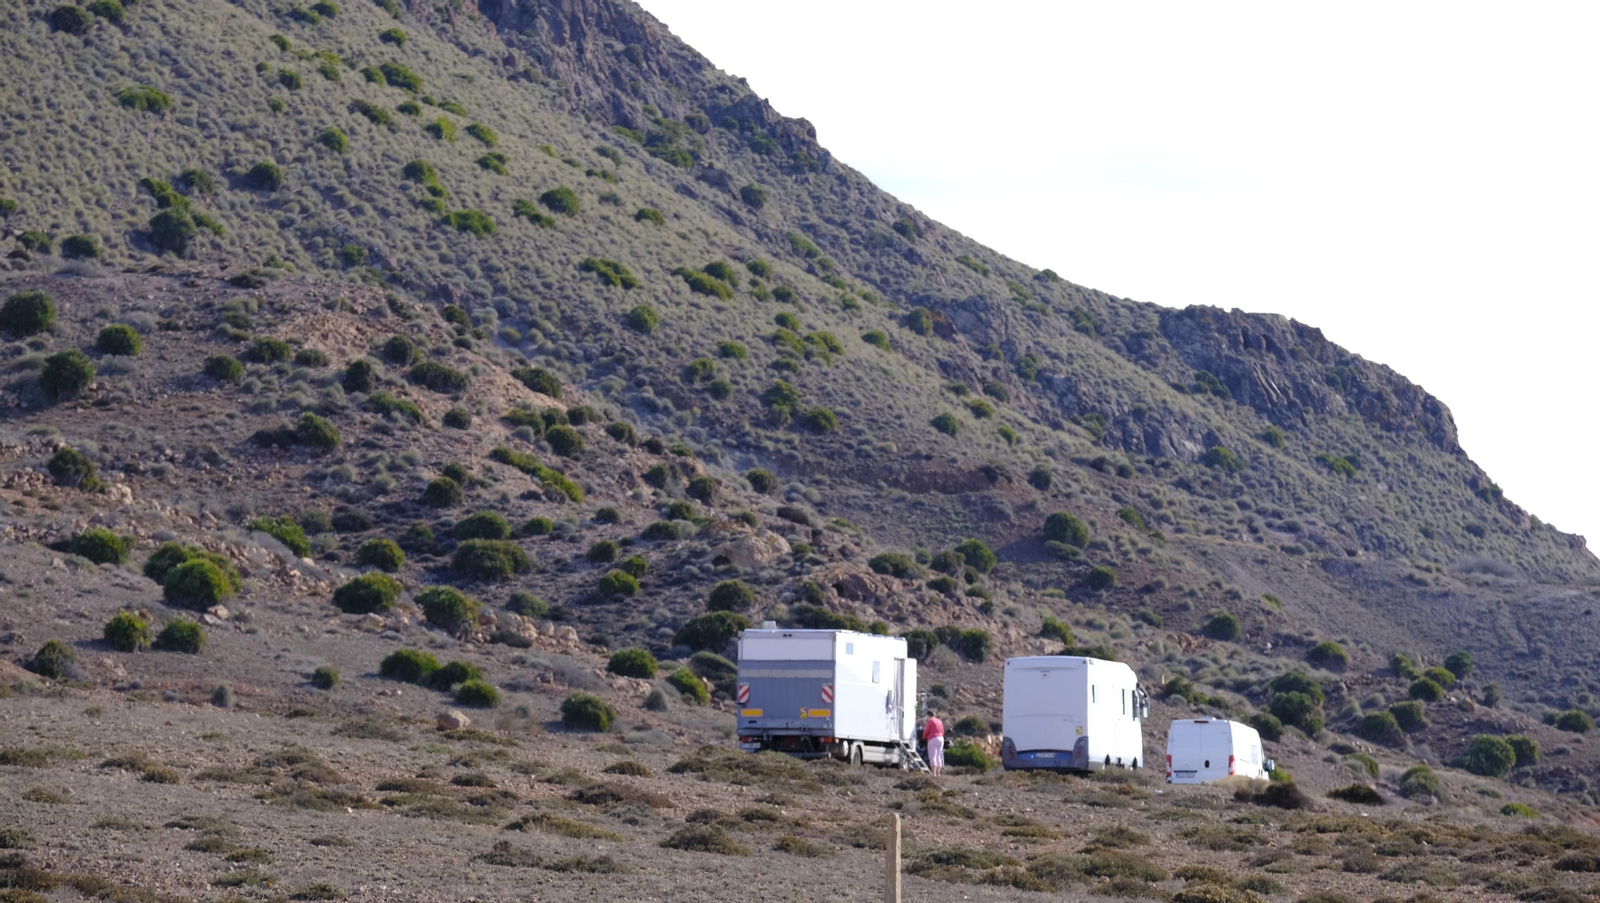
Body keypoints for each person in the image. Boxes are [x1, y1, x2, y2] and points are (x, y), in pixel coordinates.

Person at [922, 709, 945, 775]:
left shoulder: (930, 721)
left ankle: (934, 773)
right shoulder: (939, 721)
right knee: (938, 756)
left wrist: (924, 737)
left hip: (933, 739)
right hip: (941, 738)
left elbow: (926, 731)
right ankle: (938, 773)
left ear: (928, 716)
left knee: (933, 756)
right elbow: (942, 731)